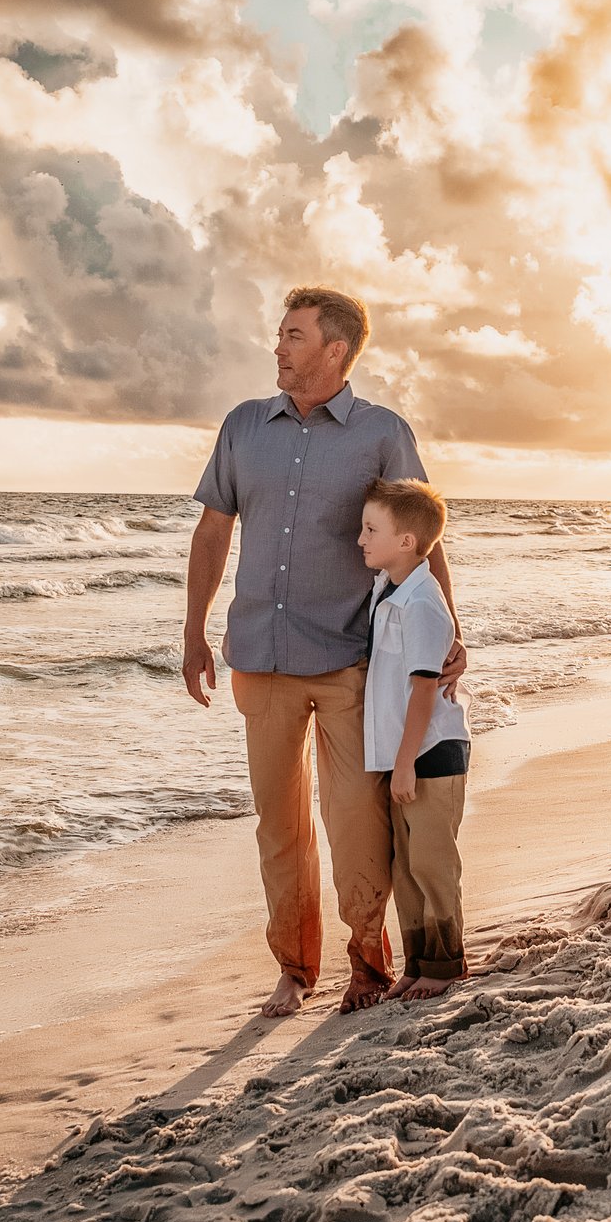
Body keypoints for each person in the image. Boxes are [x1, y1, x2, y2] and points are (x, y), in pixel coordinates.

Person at [184, 286, 466, 1017]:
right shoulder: (245, 426)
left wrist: (450, 630)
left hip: (349, 663)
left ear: (334, 349)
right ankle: (294, 966)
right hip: (260, 657)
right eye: (280, 334)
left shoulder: (381, 433)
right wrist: (193, 631)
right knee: (279, 826)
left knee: (355, 822)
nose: (278, 347)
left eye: (293, 335)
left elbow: (421, 538)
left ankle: (367, 962)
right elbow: (213, 532)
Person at [357, 478, 471, 1001]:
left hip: (430, 753)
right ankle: (417, 961)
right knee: (405, 867)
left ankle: (446, 964)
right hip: (404, 754)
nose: (360, 538)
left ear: (406, 542)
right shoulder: (390, 588)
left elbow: (425, 690)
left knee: (431, 861)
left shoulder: (424, 602)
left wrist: (404, 764)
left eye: (371, 529)